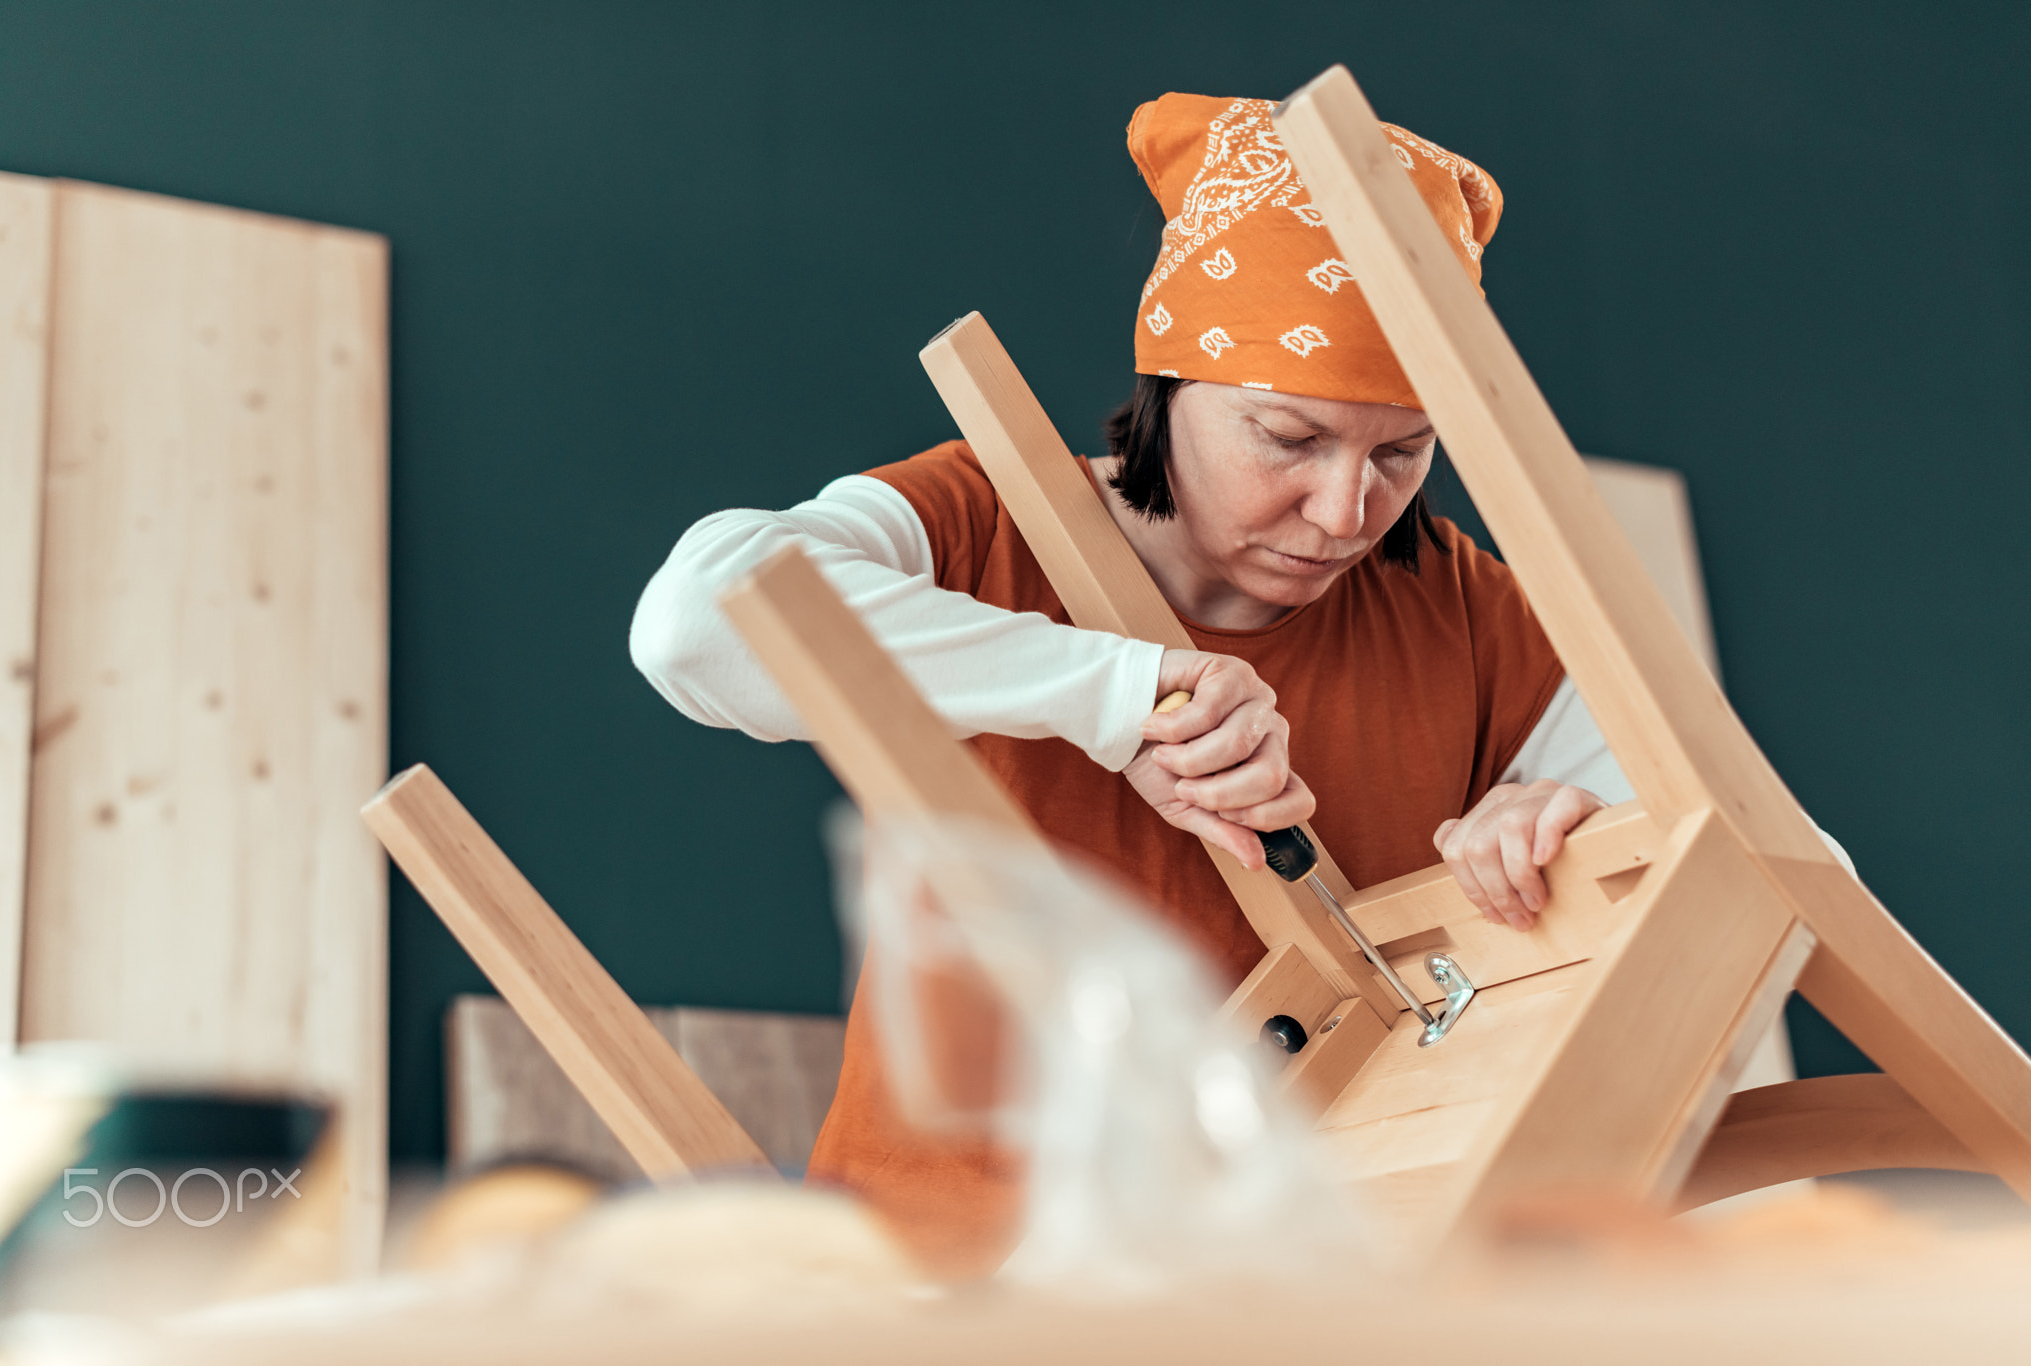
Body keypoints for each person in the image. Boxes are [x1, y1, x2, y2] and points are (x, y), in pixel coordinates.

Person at [629, 93, 1827, 1272]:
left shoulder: (1469, 607)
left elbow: (1780, 859)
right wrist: (1121, 691)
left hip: (1300, 1288)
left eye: (1399, 454)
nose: (1343, 511)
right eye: (1288, 439)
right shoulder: (984, 519)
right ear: (1170, 390)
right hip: (940, 1275)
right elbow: (696, 624)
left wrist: (1568, 822)